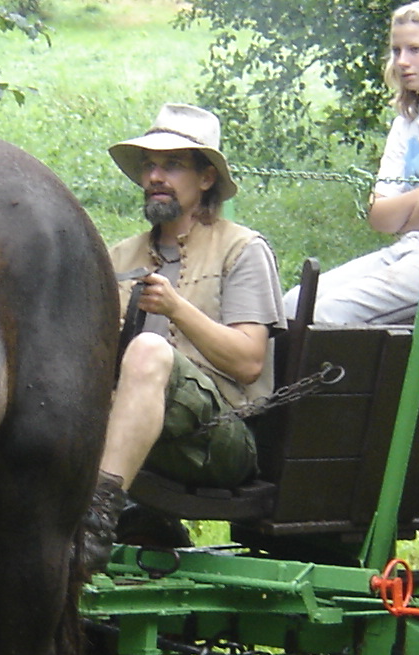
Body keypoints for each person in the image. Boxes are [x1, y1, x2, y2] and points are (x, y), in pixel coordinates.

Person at [78, 104, 285, 575]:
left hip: (220, 436)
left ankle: (96, 517)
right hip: (132, 430)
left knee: (151, 350)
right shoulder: (120, 256)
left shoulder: (243, 249)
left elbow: (250, 362)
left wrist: (176, 309)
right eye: (149, 165)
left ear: (206, 179)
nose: (155, 176)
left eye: (172, 165)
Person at [299, 0, 419, 326]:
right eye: (396, 50)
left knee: (328, 314)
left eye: (416, 49)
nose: (403, 61)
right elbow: (379, 217)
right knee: (293, 304)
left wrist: (409, 211)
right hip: (408, 251)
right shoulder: (406, 120)